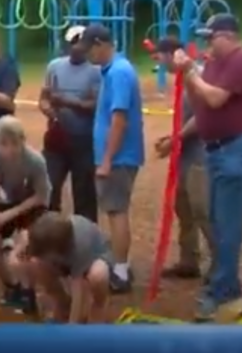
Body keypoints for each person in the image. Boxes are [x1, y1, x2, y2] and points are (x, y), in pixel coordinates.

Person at [170, 14, 242, 320]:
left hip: (237, 149)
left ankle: (222, 290)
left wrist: (191, 71)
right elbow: (202, 109)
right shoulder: (213, 65)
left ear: (228, 35)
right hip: (216, 150)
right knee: (215, 219)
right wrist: (189, 75)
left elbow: (214, 99)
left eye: (211, 37)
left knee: (227, 224)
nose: (208, 42)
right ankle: (226, 284)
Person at [79, 24, 145, 294]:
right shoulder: (114, 70)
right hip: (117, 156)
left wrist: (106, 159)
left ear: (99, 44)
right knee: (114, 209)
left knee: (117, 212)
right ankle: (120, 263)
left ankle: (120, 271)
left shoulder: (118, 72)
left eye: (88, 49)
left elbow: (119, 120)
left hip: (118, 158)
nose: (87, 56)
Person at [0, 116, 51, 314]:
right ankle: (12, 287)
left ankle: (29, 293)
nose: (9, 150)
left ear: (23, 141)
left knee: (22, 249)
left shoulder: (35, 161)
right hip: (5, 202)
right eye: (3, 144)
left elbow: (41, 196)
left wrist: (10, 215)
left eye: (14, 144)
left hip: (32, 204)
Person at [153, 36, 211, 280]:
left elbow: (202, 117)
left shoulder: (194, 76)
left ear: (170, 54)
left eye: (159, 56)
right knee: (183, 208)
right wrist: (173, 137)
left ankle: (222, 266)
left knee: (203, 210)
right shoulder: (181, 79)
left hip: (201, 155)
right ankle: (189, 261)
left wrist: (174, 139)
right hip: (186, 154)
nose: (159, 62)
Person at [39, 25, 101, 222]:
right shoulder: (54, 66)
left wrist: (66, 102)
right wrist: (47, 108)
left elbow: (95, 105)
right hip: (57, 138)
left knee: (84, 192)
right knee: (50, 185)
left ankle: (86, 237)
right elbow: (44, 97)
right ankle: (49, 232)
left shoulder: (95, 71)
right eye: (72, 43)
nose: (75, 47)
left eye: (79, 43)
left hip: (83, 139)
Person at [23, 212, 112, 323]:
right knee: (36, 264)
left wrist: (72, 326)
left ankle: (98, 306)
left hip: (94, 259)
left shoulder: (80, 241)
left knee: (98, 275)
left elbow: (78, 289)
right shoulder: (43, 234)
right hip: (64, 260)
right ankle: (62, 303)